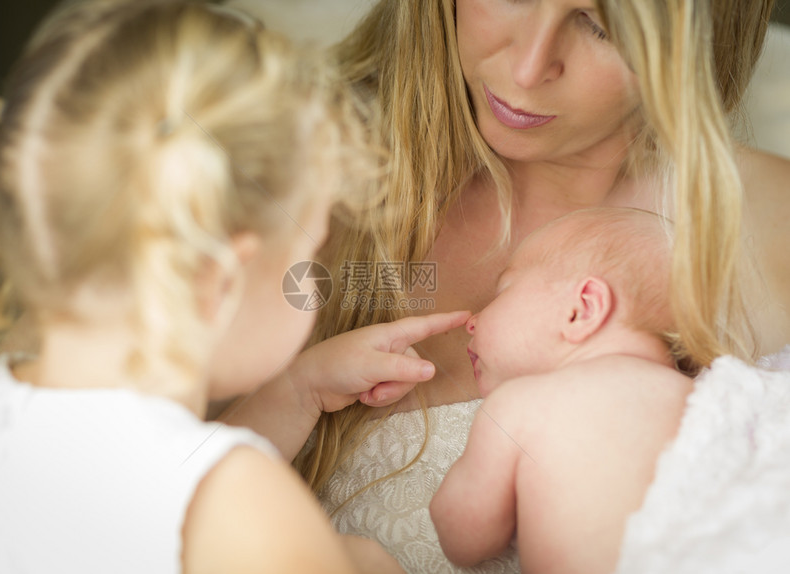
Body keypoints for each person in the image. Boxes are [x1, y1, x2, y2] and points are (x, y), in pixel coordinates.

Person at [216, 1, 790, 573]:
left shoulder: (775, 227)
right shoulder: (272, 176)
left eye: (601, 26)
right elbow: (152, 502)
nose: (527, 68)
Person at [0, 1, 412, 571]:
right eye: (306, 258)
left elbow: (149, 478)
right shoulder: (247, 508)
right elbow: (198, 497)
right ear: (220, 280)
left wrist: (298, 390)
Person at [429, 208, 694, 572]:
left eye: (502, 292)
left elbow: (465, 540)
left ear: (581, 309)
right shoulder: (703, 397)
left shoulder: (521, 404)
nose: (473, 321)